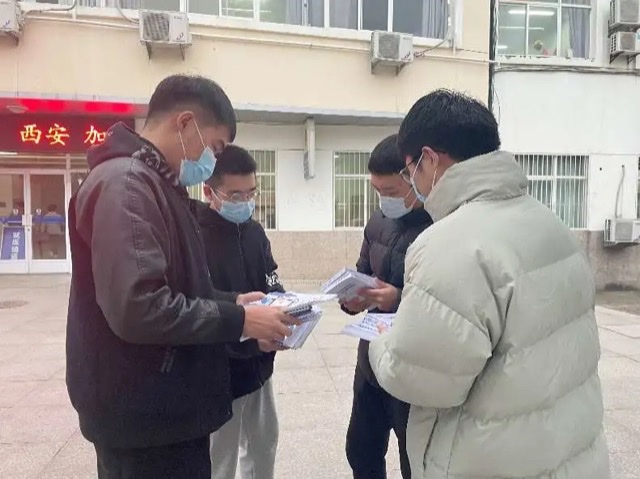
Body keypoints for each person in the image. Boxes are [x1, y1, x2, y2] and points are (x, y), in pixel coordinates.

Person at [66, 74, 299, 479]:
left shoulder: (154, 184)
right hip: (143, 414)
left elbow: (176, 288)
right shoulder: (127, 185)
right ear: (186, 123)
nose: (212, 159)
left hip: (164, 408)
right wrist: (239, 320)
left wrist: (233, 303)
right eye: (216, 146)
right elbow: (139, 307)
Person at [369, 89, 610, 479]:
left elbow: (420, 378)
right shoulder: (551, 224)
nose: (412, 181)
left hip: (488, 460)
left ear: (428, 159)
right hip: (568, 453)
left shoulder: (450, 244)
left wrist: (382, 341)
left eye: (409, 170)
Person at [341, 134, 432, 479]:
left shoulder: (440, 227)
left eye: (391, 191)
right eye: (377, 191)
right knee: (361, 450)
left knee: (415, 460)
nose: (384, 200)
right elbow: (364, 271)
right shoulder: (378, 221)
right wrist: (353, 297)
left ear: (414, 178)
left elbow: (446, 303)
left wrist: (398, 297)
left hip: (413, 366)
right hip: (371, 360)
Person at [193, 145, 283, 479]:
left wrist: (286, 309)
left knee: (263, 449)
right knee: (220, 460)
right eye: (235, 195)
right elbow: (196, 302)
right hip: (218, 373)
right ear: (209, 192)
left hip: (259, 369)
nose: (245, 202)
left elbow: (271, 280)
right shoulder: (193, 236)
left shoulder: (254, 232)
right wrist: (241, 317)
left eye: (251, 193)